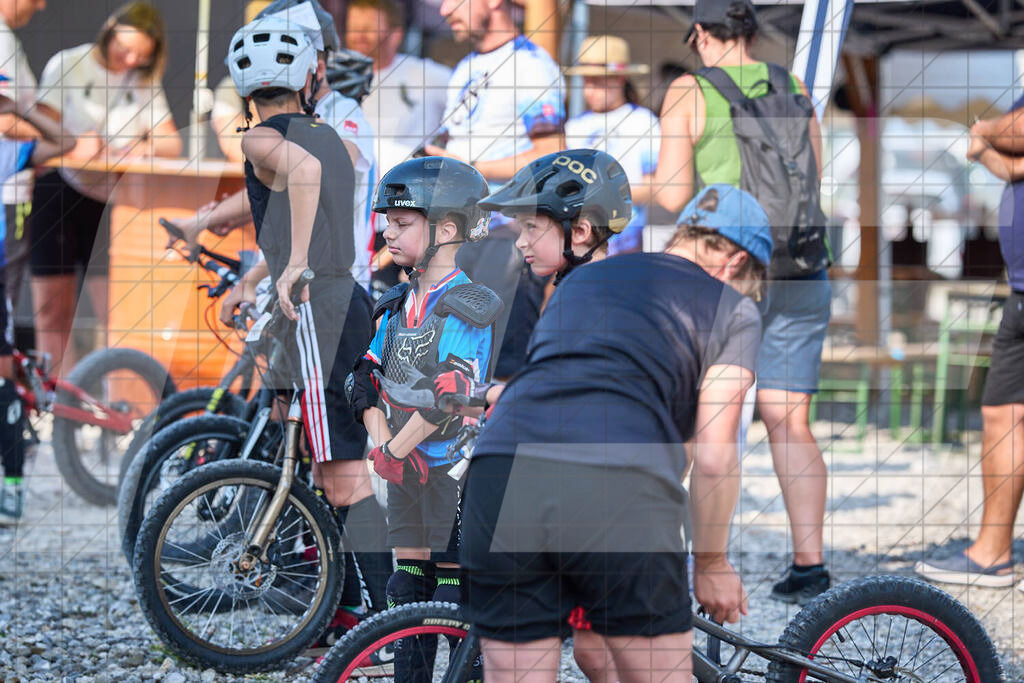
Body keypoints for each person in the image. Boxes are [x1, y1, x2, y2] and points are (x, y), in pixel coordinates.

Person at [458, 183, 769, 682]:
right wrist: (711, 562)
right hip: (616, 481)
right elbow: (714, 454)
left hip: (501, 471)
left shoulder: (582, 281)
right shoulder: (732, 309)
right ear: (734, 263)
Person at [217, 14, 391, 639]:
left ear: (245, 86)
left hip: (320, 310)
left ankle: (391, 618)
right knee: (332, 471)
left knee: (344, 478)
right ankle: (362, 611)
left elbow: (306, 186)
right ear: (308, 76)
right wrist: (266, 273)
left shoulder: (260, 139)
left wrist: (292, 267)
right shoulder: (330, 133)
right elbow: (315, 199)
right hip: (343, 302)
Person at [655, 0, 832, 604]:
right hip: (803, 266)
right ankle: (810, 564)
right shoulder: (795, 85)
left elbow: (675, 191)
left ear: (702, 34)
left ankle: (681, 556)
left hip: (726, 270)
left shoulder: (688, 90)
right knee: (789, 419)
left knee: (705, 420)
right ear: (752, 33)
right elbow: (817, 175)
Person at [350, 155, 498, 680]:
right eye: (387, 220)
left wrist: (392, 450)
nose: (387, 231)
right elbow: (362, 379)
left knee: (453, 596)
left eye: (402, 222)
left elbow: (451, 394)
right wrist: (384, 445)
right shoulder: (394, 303)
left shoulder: (469, 303)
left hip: (455, 473)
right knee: (405, 589)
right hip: (405, 468)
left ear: (448, 228)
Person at [30, 1, 181, 376]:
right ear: (110, 32)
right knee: (52, 307)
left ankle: (116, 398)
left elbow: (171, 143)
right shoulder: (69, 64)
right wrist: (74, 144)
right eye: (124, 48)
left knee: (115, 309)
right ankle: (56, 397)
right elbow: (37, 137)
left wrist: (137, 149)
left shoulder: (143, 80)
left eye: (141, 57)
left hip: (112, 204)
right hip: (59, 192)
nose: (129, 60)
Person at [193, 0, 379, 292]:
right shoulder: (295, 115)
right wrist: (209, 218)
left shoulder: (342, 111)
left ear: (315, 64)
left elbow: (319, 174)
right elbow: (289, 181)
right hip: (288, 281)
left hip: (331, 288)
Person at [914, 105, 1024, 587]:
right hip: (1020, 293)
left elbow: (1003, 136)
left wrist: (983, 128)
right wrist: (992, 145)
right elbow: (995, 155)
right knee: (1001, 414)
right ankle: (991, 553)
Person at [0, 91, 76, 523]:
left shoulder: (7, 150)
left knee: (3, 379)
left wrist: (20, 109)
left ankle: (11, 487)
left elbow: (65, 141)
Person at [426, 0, 566, 184]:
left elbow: (551, 155)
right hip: (456, 205)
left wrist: (472, 169)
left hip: (503, 210)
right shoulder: (464, 66)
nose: (444, 10)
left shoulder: (531, 64)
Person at [564, 35, 659, 255]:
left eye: (598, 81)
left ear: (620, 78)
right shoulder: (574, 126)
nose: (589, 89)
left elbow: (657, 188)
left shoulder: (644, 122)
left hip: (626, 243)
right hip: (577, 245)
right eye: (587, 81)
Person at [346, 0, 451, 174]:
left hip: (406, 189)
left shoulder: (426, 74)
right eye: (353, 27)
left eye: (369, 28)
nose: (359, 36)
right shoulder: (336, 79)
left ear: (396, 35)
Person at [0, 0, 45, 308]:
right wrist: (54, 140)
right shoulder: (2, 40)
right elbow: (3, 119)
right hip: (7, 194)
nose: (41, 5)